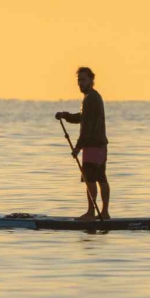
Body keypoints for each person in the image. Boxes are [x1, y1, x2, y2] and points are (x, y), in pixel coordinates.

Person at [55, 67, 109, 220]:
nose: (80, 83)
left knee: (91, 179)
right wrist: (66, 116)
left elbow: (87, 126)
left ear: (92, 80)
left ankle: (91, 213)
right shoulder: (91, 97)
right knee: (100, 178)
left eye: (83, 80)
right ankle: (104, 213)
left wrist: (78, 147)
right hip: (100, 146)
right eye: (79, 80)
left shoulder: (91, 98)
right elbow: (82, 118)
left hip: (92, 146)